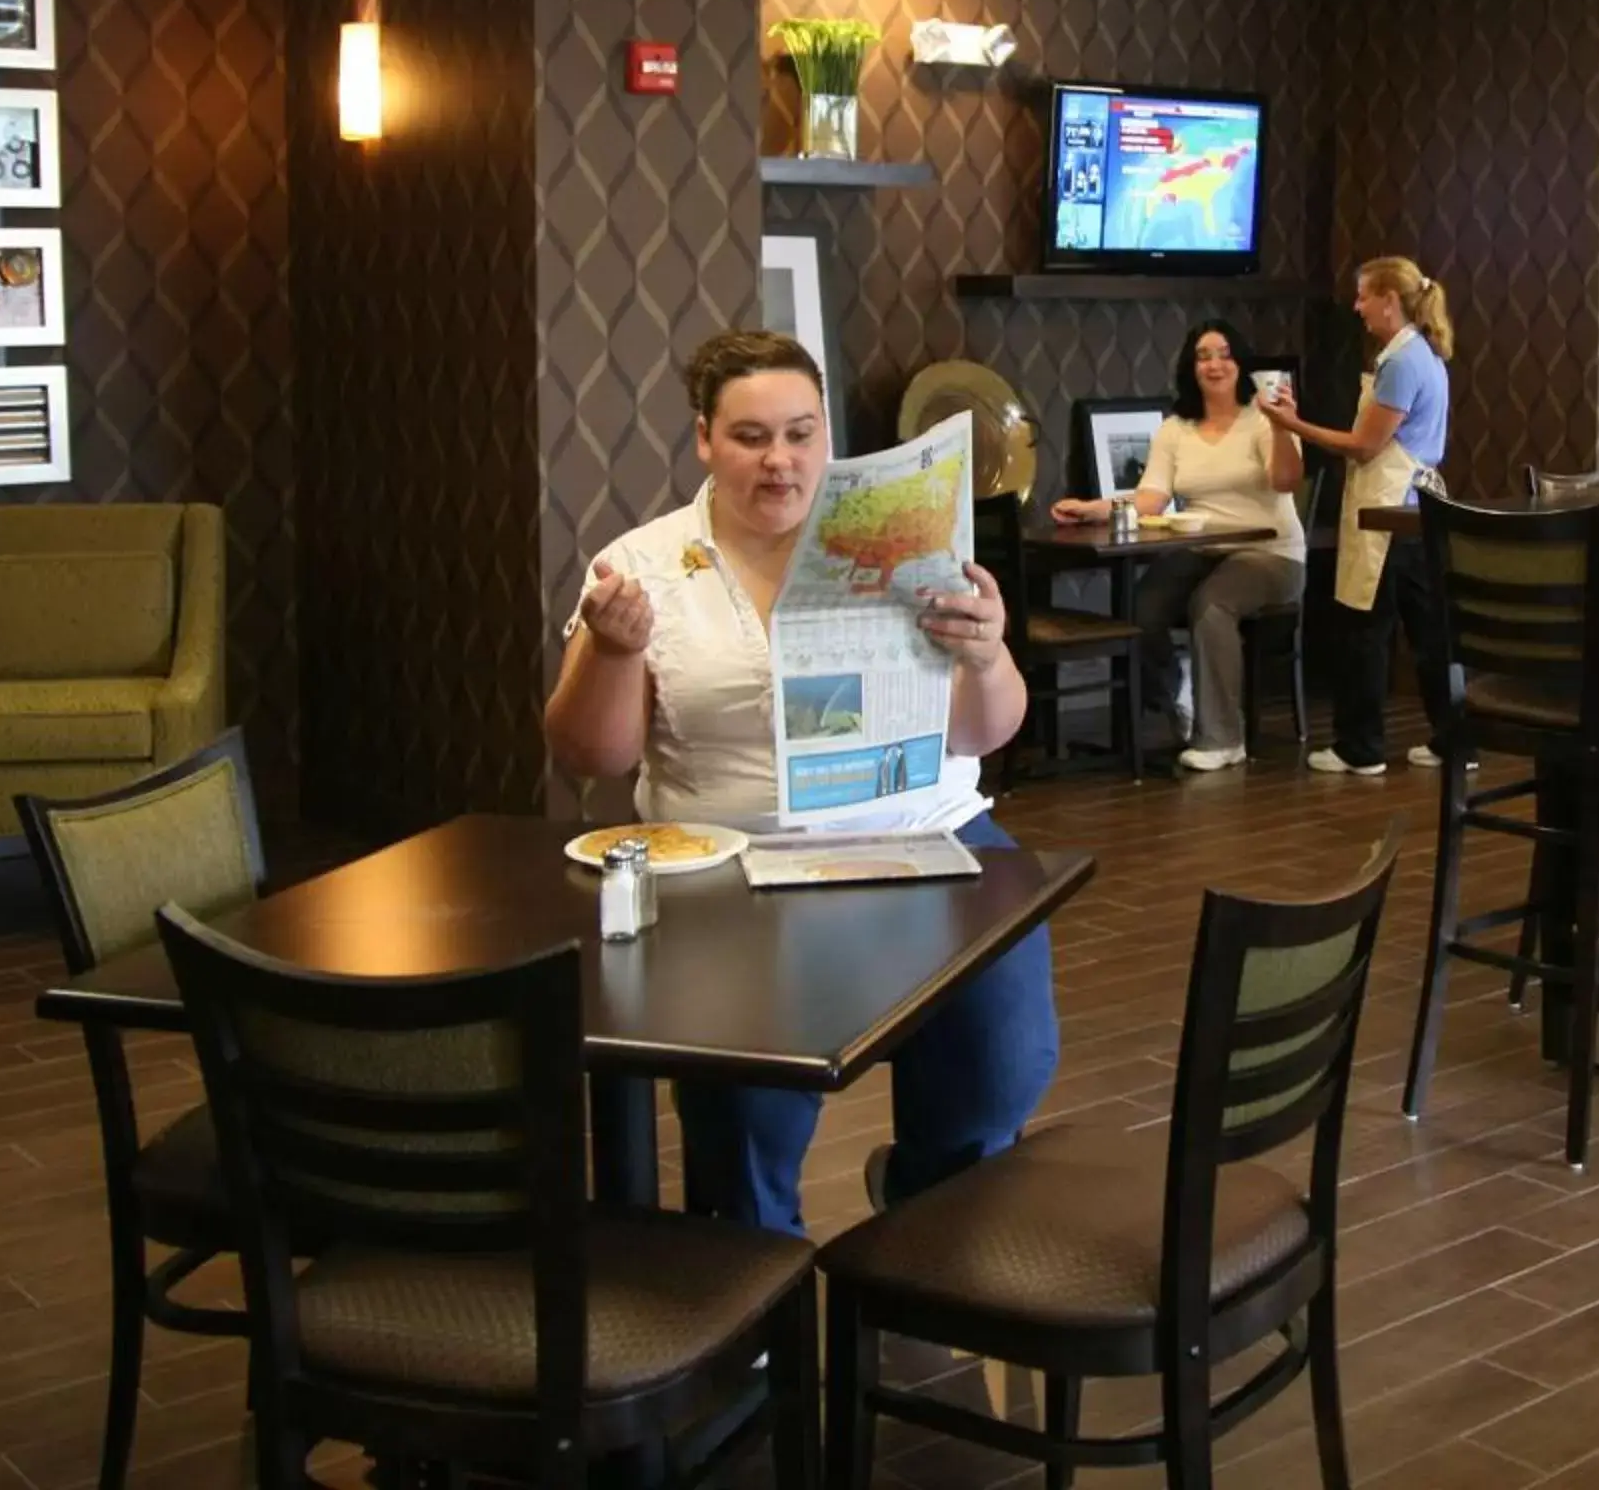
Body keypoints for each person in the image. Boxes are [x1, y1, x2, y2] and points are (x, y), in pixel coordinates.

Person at [543, 330, 1055, 1236]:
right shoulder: (643, 565)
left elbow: (987, 730)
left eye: (800, 433)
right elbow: (593, 756)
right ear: (703, 438)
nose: (779, 461)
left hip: (928, 837)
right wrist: (615, 650)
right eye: (750, 437)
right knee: (743, 1123)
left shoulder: (908, 540)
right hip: (734, 867)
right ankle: (753, 1298)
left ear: (827, 435)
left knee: (999, 1070)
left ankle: (925, 1225)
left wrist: (984, 653)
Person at [1051, 320, 1306, 772]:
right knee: (1141, 609)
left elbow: (1286, 481)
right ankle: (1180, 694)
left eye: (1224, 353)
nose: (1214, 364)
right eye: (1203, 355)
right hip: (1204, 548)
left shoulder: (1264, 419)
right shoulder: (1175, 428)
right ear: (1190, 368)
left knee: (1211, 605)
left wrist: (1286, 427)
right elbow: (1151, 496)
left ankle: (1224, 739)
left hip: (1270, 552)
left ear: (1241, 362)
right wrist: (1090, 508)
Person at [1262, 257, 1453, 776]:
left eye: (1365, 295)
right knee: (1428, 632)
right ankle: (1457, 740)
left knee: (1365, 628)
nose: (1357, 306)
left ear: (1390, 300)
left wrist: (1292, 424)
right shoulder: (1424, 355)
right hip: (1418, 510)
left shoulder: (1401, 364)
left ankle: (1360, 748)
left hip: (1389, 512)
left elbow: (1366, 446)